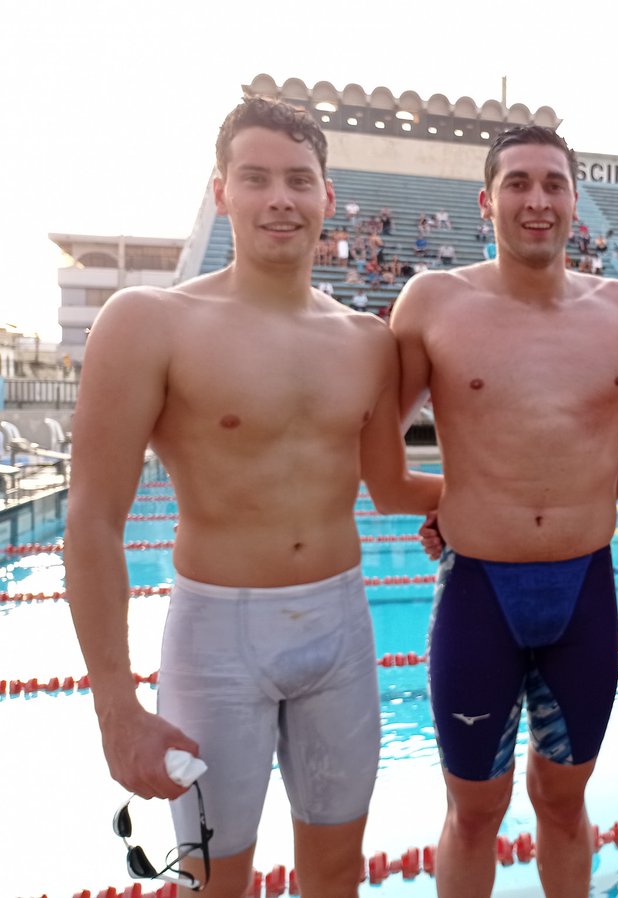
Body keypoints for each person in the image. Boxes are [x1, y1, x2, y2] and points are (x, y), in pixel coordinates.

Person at [64, 97, 442, 897]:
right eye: (257, 178)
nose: (280, 199)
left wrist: (496, 503)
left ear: (327, 198)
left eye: (299, 180)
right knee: (215, 878)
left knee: (336, 873)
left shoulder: (368, 341)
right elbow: (93, 519)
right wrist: (115, 708)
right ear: (221, 191)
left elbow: (390, 487)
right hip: (217, 639)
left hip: (341, 627)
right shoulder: (149, 323)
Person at [390, 124, 618, 898]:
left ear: (575, 200)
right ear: (487, 201)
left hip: (585, 590)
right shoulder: (434, 302)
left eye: (553, 184)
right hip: (479, 591)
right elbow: (373, 444)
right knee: (474, 812)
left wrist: (569, 500)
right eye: (518, 183)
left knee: (565, 805)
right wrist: (452, 500)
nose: (537, 200)